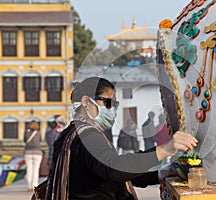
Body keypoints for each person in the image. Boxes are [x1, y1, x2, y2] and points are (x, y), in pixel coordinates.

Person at [45, 77, 198, 200]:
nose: (113, 109)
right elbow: (115, 168)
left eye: (115, 104)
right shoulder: (87, 135)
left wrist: (161, 173)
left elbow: (111, 175)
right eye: (108, 102)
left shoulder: (72, 133)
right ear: (85, 102)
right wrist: (165, 149)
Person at [23, 120, 43, 192]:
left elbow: (25, 141)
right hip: (37, 153)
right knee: (35, 170)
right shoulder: (38, 133)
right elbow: (40, 141)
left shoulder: (26, 132)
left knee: (29, 170)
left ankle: (29, 186)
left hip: (28, 153)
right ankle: (34, 186)